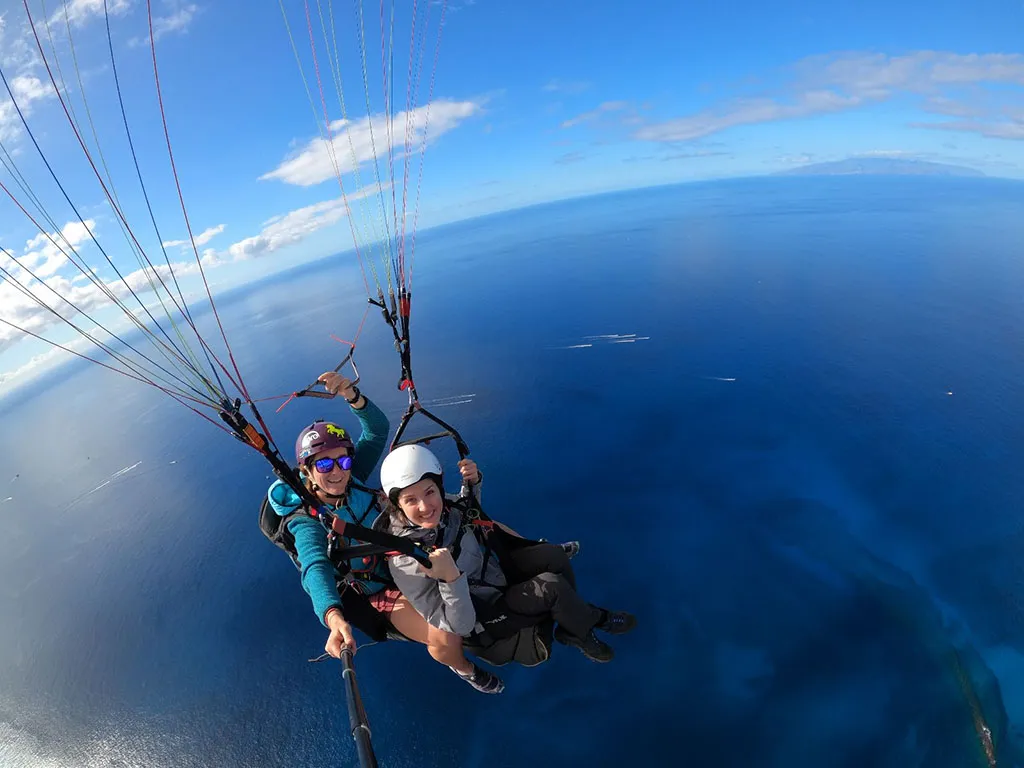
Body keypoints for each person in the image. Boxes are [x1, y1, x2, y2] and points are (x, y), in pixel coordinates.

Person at [265, 372, 505, 694]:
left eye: (343, 460)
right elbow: (315, 567)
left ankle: (531, 552)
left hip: (407, 547)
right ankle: (466, 670)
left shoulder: (352, 479)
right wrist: (334, 617)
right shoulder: (307, 522)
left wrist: (352, 394)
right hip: (382, 588)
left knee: (481, 523)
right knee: (444, 637)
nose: (337, 471)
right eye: (323, 466)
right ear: (306, 471)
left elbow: (376, 431)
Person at [380, 444, 636, 666]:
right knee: (551, 586)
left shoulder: (444, 508)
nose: (425, 507)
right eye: (411, 500)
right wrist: (450, 579)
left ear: (438, 487)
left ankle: (575, 623)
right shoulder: (405, 561)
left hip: (491, 577)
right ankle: (587, 624)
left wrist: (473, 484)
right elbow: (458, 626)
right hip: (484, 615)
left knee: (553, 555)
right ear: (397, 505)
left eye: (429, 492)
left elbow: (468, 512)